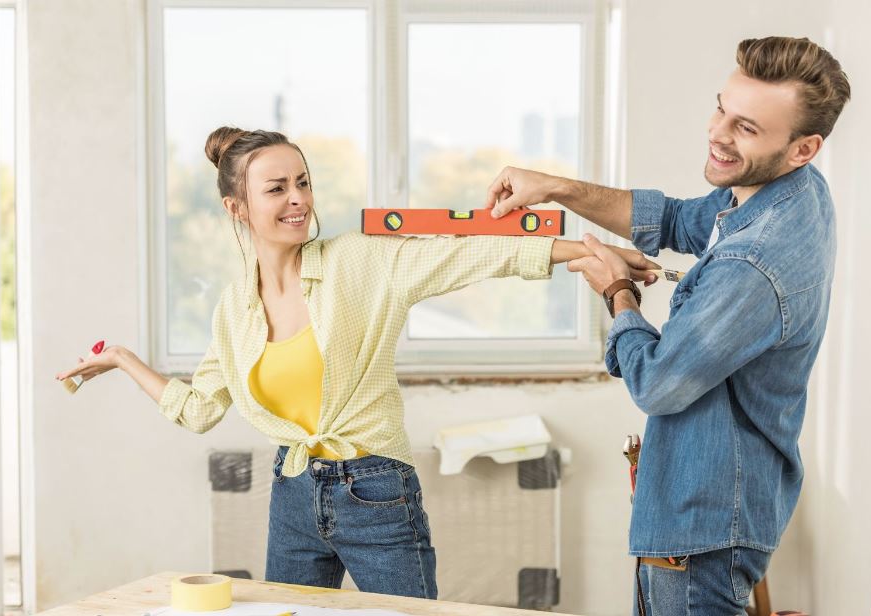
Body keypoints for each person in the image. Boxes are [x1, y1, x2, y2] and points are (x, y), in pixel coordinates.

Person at [56, 127, 658, 599]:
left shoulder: (357, 261)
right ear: (236, 208)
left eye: (303, 181)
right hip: (292, 494)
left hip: (376, 491)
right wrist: (125, 360)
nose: (297, 200)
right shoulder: (233, 310)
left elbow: (470, 256)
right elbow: (197, 410)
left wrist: (587, 251)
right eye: (276, 189)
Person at [485, 37, 850, 615]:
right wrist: (557, 188)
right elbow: (680, 219)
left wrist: (618, 293)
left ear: (803, 147)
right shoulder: (789, 190)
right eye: (721, 107)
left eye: (746, 128)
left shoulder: (753, 262)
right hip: (718, 508)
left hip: (701, 522)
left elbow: (656, 383)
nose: (718, 132)